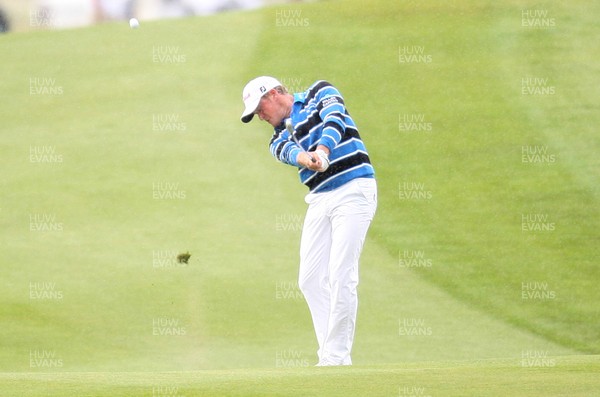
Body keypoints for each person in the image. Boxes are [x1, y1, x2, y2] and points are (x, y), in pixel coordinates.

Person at [240, 76, 377, 366]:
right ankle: (332, 354)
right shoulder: (277, 138)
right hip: (319, 198)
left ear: (275, 94)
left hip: (354, 189)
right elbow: (290, 153)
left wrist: (324, 150)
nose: (260, 116)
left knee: (342, 274)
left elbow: (335, 119)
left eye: (259, 108)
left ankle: (334, 357)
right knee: (310, 280)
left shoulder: (319, 91)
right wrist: (307, 159)